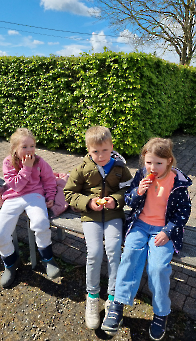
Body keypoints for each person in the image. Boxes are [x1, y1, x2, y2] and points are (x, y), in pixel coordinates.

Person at [101, 137, 192, 341]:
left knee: (158, 267)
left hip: (163, 229)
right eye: (149, 162)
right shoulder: (142, 174)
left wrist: (168, 231)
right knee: (131, 255)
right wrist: (139, 191)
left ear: (169, 161)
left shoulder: (178, 182)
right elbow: (131, 202)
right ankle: (118, 303)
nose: (153, 167)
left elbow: (183, 213)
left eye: (158, 163)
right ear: (144, 160)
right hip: (140, 225)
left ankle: (161, 312)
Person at [64, 126, 132, 330]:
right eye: (95, 151)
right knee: (93, 253)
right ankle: (92, 297)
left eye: (104, 150)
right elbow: (69, 193)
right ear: (88, 149)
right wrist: (88, 202)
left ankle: (113, 297)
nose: (100, 155)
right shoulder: (82, 169)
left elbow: (129, 189)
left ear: (111, 146)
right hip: (90, 216)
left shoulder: (120, 167)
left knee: (113, 251)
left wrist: (115, 200)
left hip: (113, 215)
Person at [0, 128, 60, 288]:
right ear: (14, 149)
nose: (29, 150)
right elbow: (16, 186)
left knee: (41, 223)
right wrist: (26, 168)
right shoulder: (7, 162)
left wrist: (51, 196)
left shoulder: (40, 162)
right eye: (24, 147)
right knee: (1, 232)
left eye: (32, 146)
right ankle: (10, 262)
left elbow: (49, 180)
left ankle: (47, 258)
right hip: (13, 197)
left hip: (35, 195)